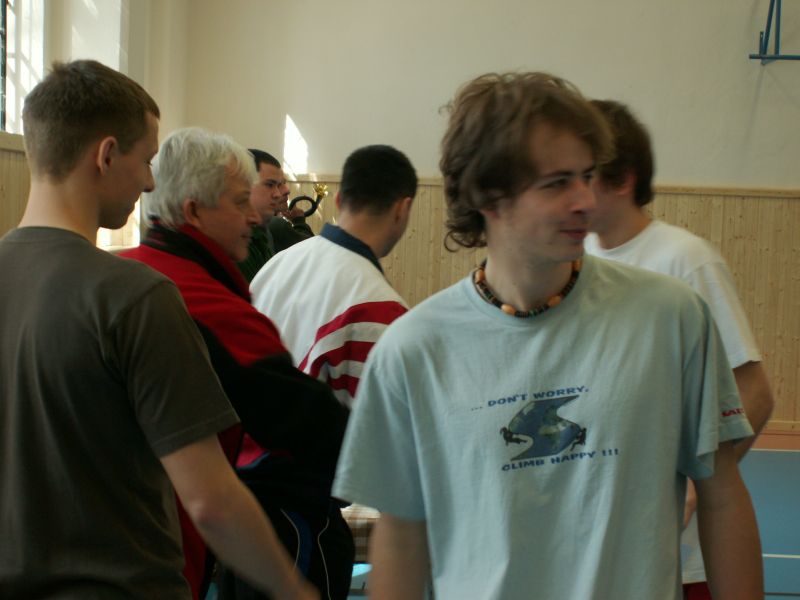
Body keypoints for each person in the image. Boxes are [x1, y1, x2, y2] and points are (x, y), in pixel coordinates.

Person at [332, 72, 763, 600]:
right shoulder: (412, 350)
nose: (585, 199)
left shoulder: (671, 318)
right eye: (557, 183)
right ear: (488, 196)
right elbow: (401, 537)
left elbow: (722, 497)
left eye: (587, 176)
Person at [0, 60, 316, 600]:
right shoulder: (135, 297)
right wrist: (293, 590)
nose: (149, 181)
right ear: (105, 155)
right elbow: (210, 500)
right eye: (145, 160)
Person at [121, 127, 353, 600]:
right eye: (240, 201)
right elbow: (315, 428)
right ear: (194, 212)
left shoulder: (123, 270)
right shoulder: (213, 309)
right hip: (161, 558)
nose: (253, 216)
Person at [584, 98, 775, 600]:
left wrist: (694, 490)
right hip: (606, 549)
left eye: (583, 175)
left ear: (622, 179)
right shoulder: (575, 261)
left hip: (681, 557)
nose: (571, 193)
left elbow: (754, 393)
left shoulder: (684, 260)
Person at [251, 145, 417, 407]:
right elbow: (373, 425)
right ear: (403, 209)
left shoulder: (277, 264)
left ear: (339, 200)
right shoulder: (379, 308)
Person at [238, 150, 313, 281]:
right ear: (244, 185)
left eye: (279, 185)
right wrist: (300, 222)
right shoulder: (236, 234)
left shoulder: (263, 230)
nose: (279, 193)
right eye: (270, 185)